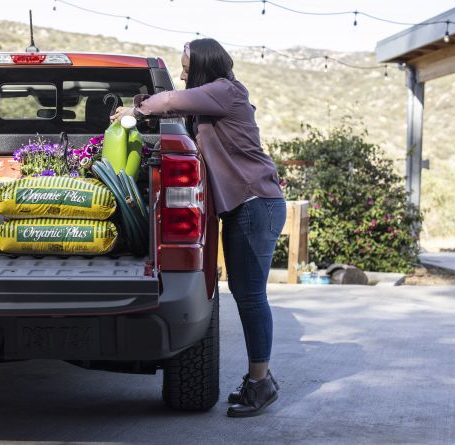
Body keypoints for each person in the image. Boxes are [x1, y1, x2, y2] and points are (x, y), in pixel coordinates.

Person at [111, 38, 286, 418]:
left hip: (257, 204)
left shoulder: (226, 91)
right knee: (244, 292)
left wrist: (134, 107)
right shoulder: (211, 102)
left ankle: (261, 381)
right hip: (244, 207)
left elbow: (171, 100)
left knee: (251, 295)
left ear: (205, 64)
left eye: (187, 66)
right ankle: (260, 378)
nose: (183, 72)